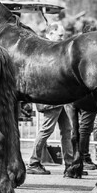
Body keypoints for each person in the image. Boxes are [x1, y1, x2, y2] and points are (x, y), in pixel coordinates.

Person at [26, 22, 74, 175]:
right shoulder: (45, 50)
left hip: (60, 98)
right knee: (47, 130)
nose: (62, 38)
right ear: (51, 33)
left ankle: (70, 164)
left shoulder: (53, 49)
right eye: (60, 35)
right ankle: (33, 162)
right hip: (51, 98)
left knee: (66, 130)